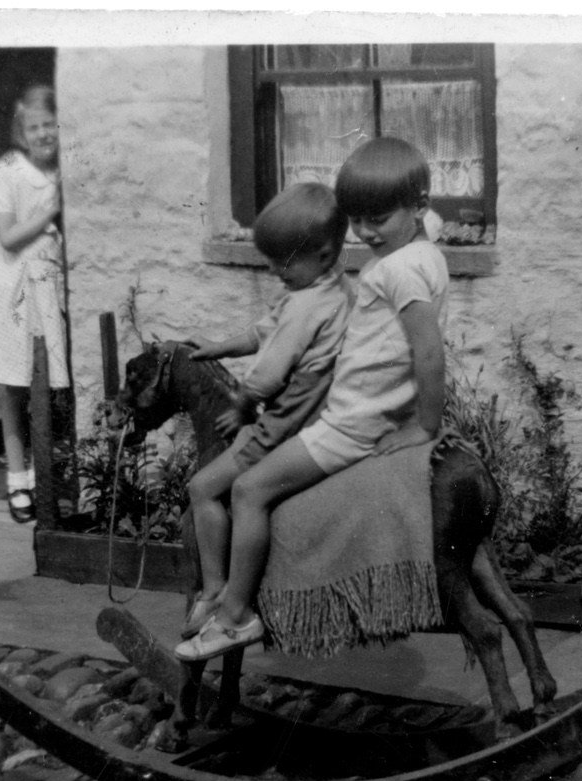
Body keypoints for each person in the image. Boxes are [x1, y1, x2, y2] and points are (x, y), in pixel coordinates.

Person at [176, 137, 449, 660]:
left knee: (249, 491)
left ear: (418, 205)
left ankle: (235, 613)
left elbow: (429, 352)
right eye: (357, 220)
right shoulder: (422, 250)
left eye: (378, 219)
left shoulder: (396, 269)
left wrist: (425, 426)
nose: (365, 232)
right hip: (355, 409)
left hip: (352, 421)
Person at [179, 183, 353, 638]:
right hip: (321, 413)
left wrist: (240, 405)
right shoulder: (334, 288)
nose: (275, 270)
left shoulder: (305, 304)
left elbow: (269, 375)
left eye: (285, 261)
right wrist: (219, 346)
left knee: (203, 487)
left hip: (287, 418)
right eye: (271, 259)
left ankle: (217, 592)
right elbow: (263, 332)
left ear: (323, 252)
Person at [0, 85, 65, 523]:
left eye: (50, 123)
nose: (43, 133)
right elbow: (8, 236)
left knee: (56, 382)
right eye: (34, 126)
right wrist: (51, 212)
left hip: (55, 283)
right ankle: (16, 479)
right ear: (21, 131)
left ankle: (53, 475)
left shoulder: (65, 168)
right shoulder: (5, 172)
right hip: (18, 285)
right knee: (15, 385)